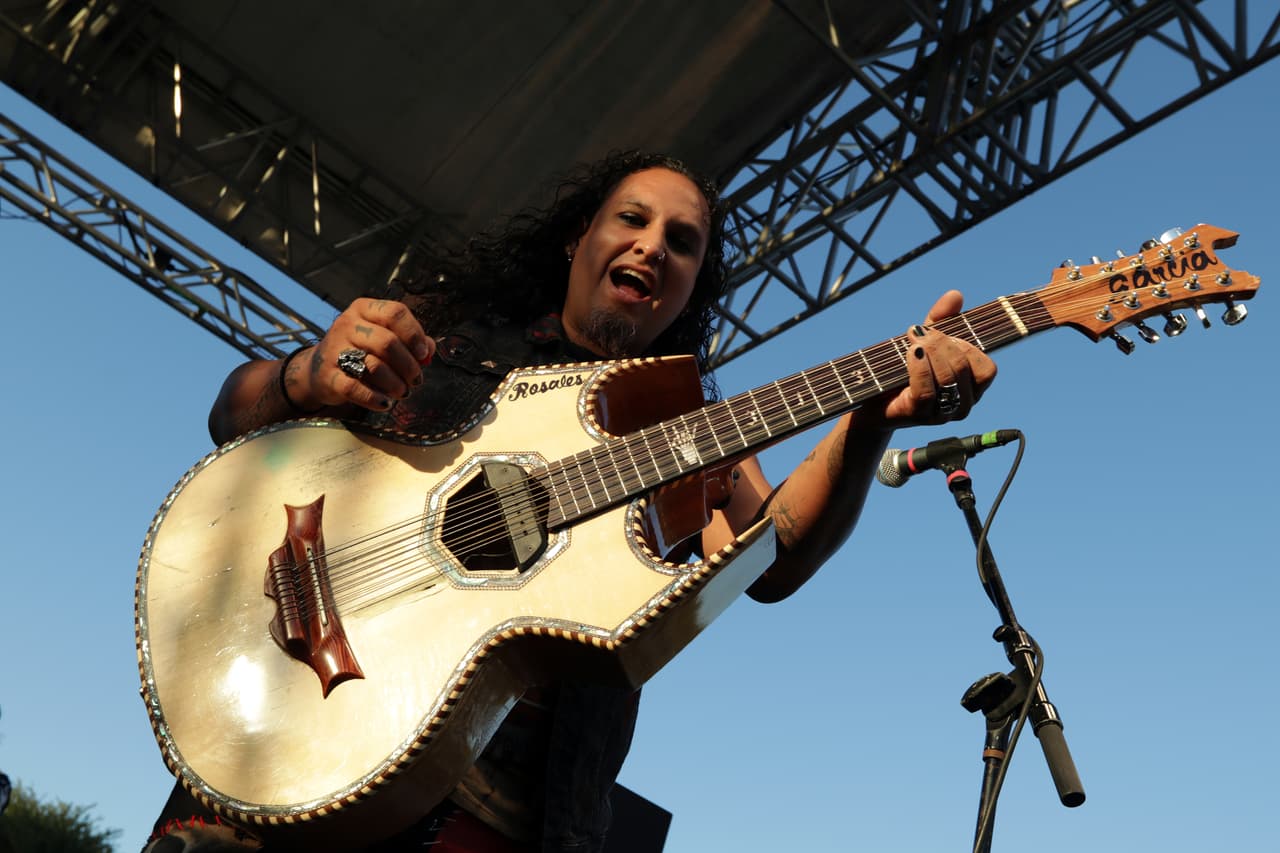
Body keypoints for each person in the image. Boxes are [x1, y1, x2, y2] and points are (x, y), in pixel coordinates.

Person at [142, 151, 995, 852]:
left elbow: (772, 555)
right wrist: (304, 372)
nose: (655, 245)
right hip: (285, 747)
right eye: (633, 219)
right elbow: (234, 413)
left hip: (507, 818)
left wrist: (875, 420)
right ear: (577, 239)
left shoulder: (688, 425)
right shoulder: (451, 329)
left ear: (692, 287)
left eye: (684, 241)